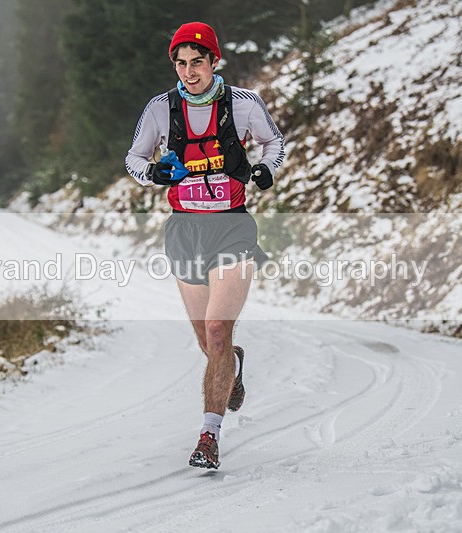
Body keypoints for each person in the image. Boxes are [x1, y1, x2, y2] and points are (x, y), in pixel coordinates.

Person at [126, 22, 285, 470]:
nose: (190, 71)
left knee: (216, 328)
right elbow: (133, 158)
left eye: (198, 62)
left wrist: (266, 168)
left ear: (214, 61)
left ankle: (208, 437)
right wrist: (152, 173)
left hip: (232, 227)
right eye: (181, 63)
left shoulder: (243, 104)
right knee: (207, 340)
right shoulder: (161, 108)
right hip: (185, 229)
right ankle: (230, 363)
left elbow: (275, 142)